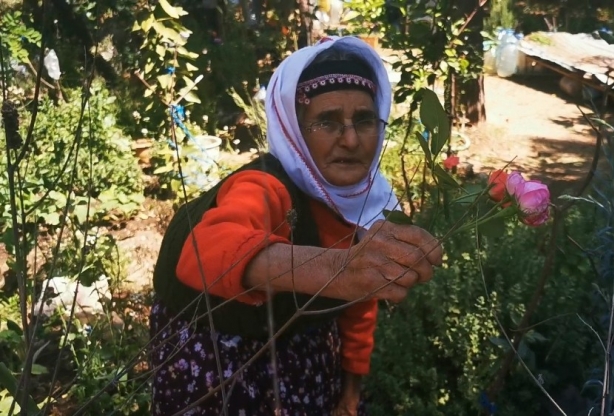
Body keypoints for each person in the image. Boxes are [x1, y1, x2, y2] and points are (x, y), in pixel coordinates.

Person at [148, 36, 444, 416]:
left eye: (365, 120)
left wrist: (350, 393)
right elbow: (204, 252)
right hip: (221, 378)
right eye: (327, 121)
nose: (351, 139)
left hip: (308, 366)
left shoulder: (369, 202)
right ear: (294, 130)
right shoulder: (263, 187)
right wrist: (340, 269)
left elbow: (358, 305)